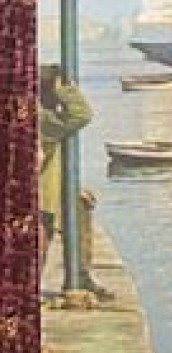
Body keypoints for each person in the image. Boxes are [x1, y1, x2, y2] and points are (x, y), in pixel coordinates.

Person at [39, 65, 109, 299]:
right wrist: (66, 90)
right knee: (42, 235)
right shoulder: (39, 118)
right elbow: (81, 114)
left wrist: (75, 186)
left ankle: (79, 274)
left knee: (79, 209)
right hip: (41, 193)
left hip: (51, 185)